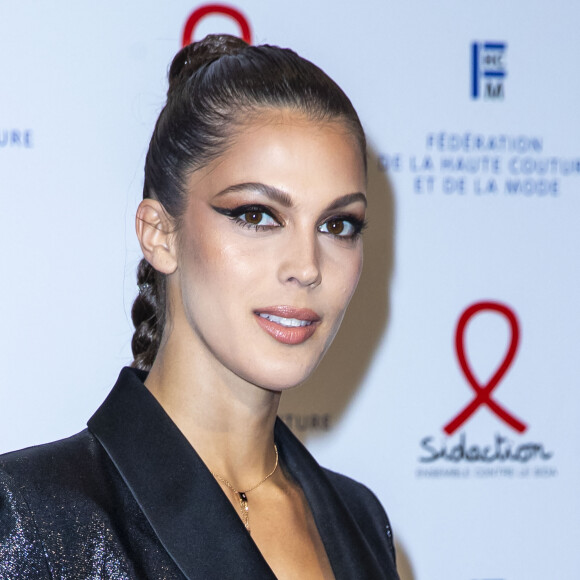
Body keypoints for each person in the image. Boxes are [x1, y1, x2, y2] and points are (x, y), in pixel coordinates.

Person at [0, 34, 399, 579]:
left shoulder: (361, 524)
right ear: (160, 234)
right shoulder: (32, 517)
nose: (307, 266)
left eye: (337, 225)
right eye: (258, 216)